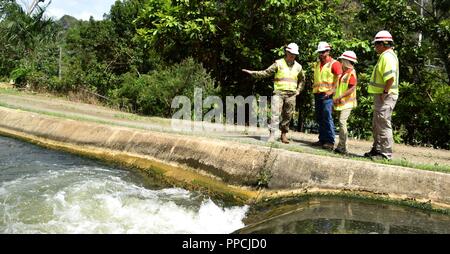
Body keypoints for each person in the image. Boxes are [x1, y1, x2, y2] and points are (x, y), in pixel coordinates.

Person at [242, 43, 305, 143]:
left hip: (291, 94)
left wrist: (298, 90)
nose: (292, 55)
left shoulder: (298, 67)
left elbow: (302, 80)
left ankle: (283, 134)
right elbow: (266, 72)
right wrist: (253, 73)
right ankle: (272, 134)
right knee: (275, 114)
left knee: (288, 115)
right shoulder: (278, 63)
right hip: (279, 93)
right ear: (286, 52)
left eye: (294, 54)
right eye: (291, 53)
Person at [364, 30, 399, 160]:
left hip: (386, 95)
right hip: (382, 95)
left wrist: (385, 92)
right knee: (377, 123)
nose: (375, 47)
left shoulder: (387, 56)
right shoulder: (386, 55)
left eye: (376, 44)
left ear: (383, 44)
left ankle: (385, 154)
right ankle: (377, 149)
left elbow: (390, 78)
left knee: (383, 123)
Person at [312, 41, 342, 150]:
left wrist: (332, 91)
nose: (321, 54)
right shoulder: (317, 64)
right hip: (318, 93)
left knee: (327, 116)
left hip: (327, 95)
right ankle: (322, 139)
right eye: (320, 52)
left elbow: (339, 78)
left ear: (328, 51)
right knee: (320, 117)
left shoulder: (334, 64)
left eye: (323, 52)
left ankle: (330, 141)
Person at [333, 51, 358, 155]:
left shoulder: (351, 73)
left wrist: (340, 96)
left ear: (346, 61)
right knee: (340, 123)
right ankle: (340, 146)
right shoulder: (343, 72)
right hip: (340, 102)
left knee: (342, 122)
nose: (341, 62)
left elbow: (352, 89)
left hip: (347, 103)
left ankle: (344, 147)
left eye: (342, 60)